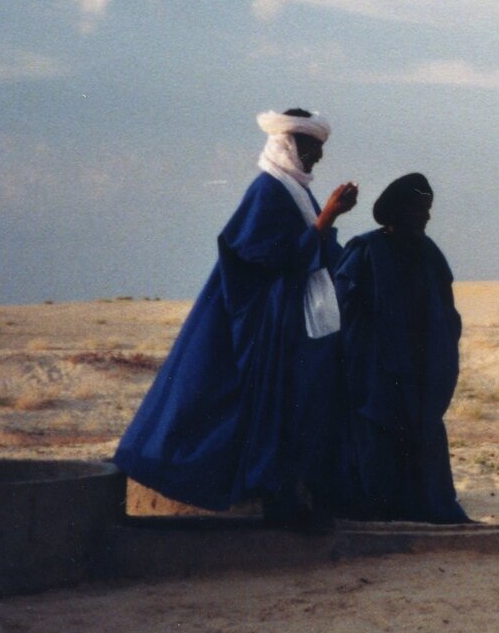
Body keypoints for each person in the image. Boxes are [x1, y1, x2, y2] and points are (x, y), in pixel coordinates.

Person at [115, 109, 357, 523]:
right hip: (263, 323)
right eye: (311, 147)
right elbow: (262, 257)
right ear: (288, 144)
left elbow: (307, 251)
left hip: (289, 321)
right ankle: (275, 499)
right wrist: (328, 217)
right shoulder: (268, 191)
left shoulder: (294, 190)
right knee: (268, 406)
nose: (317, 157)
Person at [333, 173, 469, 523]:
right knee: (375, 434)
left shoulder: (428, 252)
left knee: (420, 429)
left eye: (428, 209)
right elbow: (342, 307)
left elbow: (445, 305)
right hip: (375, 366)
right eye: (420, 209)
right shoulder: (365, 250)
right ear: (401, 210)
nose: (426, 217)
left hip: (420, 365)